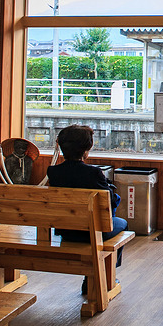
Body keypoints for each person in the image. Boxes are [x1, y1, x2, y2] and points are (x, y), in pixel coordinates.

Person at [47, 124, 127, 295]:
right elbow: (110, 201)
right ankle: (104, 275)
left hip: (65, 230)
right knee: (122, 224)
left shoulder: (53, 172)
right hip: (92, 231)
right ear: (85, 151)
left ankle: (92, 276)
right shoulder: (93, 173)